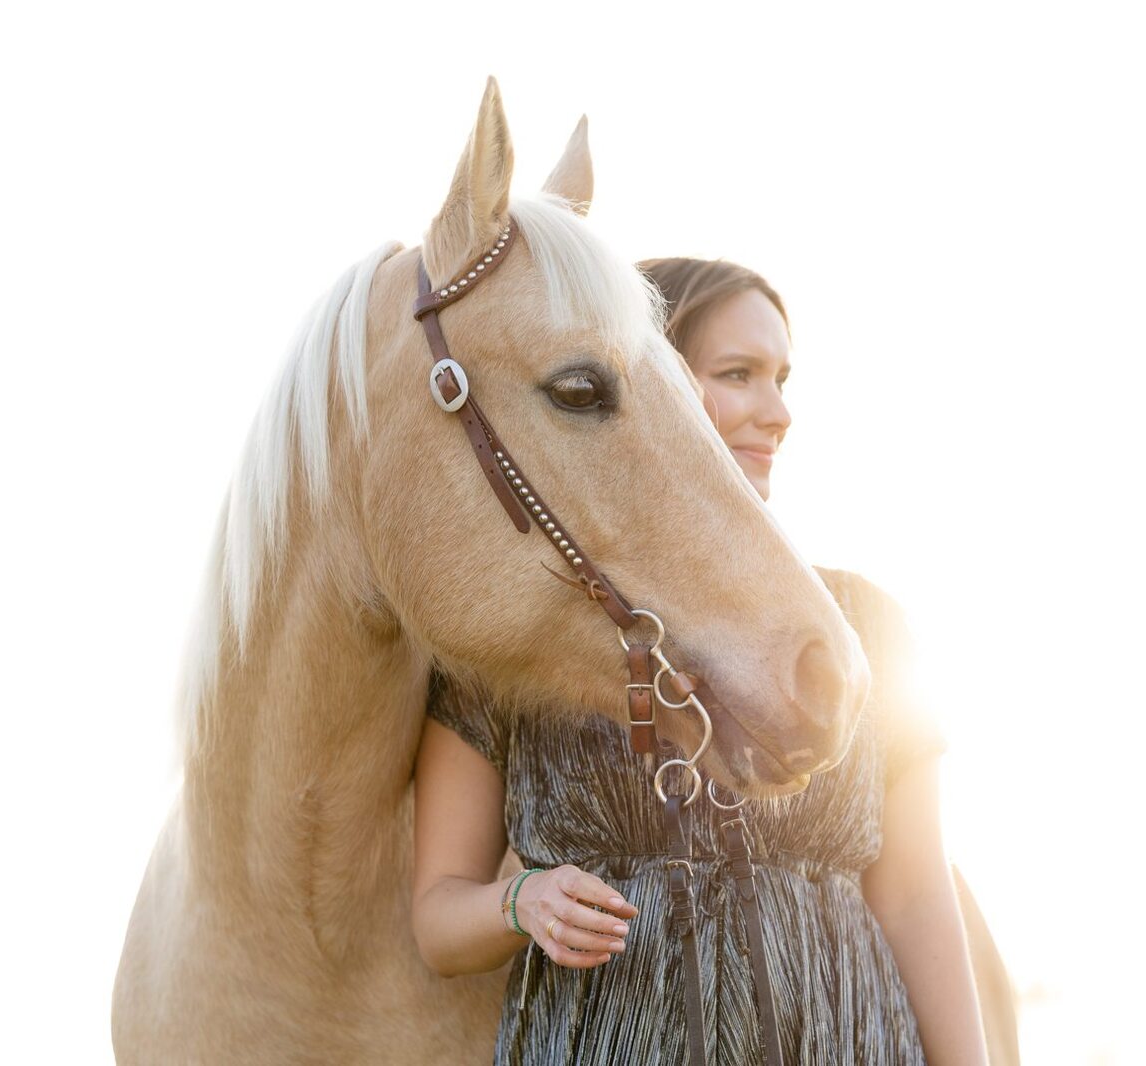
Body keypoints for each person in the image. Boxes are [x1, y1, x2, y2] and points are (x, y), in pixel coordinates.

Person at [411, 257, 990, 1064]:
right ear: (661, 392)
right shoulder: (510, 654)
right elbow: (438, 922)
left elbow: (919, 897)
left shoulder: (865, 628)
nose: (778, 410)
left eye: (783, 377)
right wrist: (520, 901)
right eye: (740, 374)